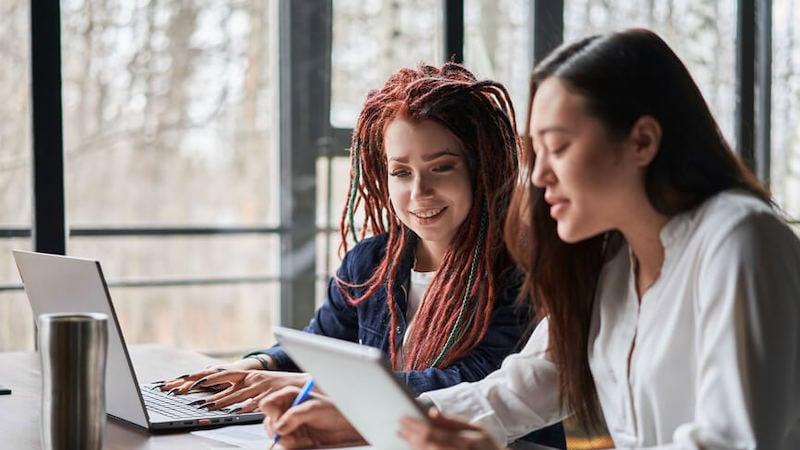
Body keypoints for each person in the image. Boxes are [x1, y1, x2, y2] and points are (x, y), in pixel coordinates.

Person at [260, 29, 800, 449]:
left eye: (558, 147)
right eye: (534, 153)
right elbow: (516, 391)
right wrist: (364, 418)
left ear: (642, 141)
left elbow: (737, 441)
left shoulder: (738, 238)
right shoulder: (611, 262)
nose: (537, 177)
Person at [158, 62, 566, 448]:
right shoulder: (371, 262)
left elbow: (475, 382)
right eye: (401, 172)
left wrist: (315, 387)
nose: (419, 192)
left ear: (483, 169)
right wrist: (258, 367)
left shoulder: (520, 269)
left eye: (441, 168)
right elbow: (318, 346)